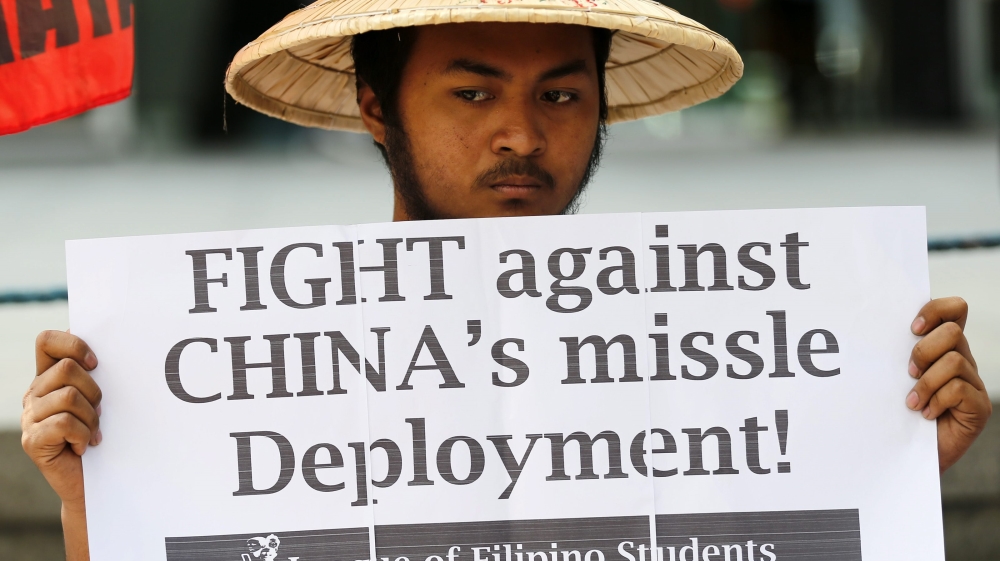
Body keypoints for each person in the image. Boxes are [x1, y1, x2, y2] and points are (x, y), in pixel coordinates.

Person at [20, 0, 992, 559]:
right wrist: (91, 496)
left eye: (561, 95)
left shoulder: (712, 360)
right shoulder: (255, 374)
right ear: (373, 105)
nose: (523, 135)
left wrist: (886, 471)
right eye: (472, 92)